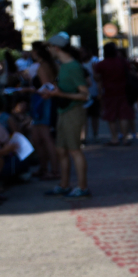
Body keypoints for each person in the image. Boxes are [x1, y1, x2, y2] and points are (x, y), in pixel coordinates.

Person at [42, 33, 91, 198]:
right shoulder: (64, 66)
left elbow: (84, 94)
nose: (49, 50)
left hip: (73, 112)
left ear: (56, 48)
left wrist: (60, 94)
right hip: (63, 112)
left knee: (74, 150)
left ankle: (82, 187)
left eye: (50, 47)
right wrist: (53, 92)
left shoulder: (72, 67)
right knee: (61, 150)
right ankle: (64, 185)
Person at [28, 41, 60, 181]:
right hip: (45, 103)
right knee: (38, 138)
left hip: (43, 103)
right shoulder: (52, 65)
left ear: (36, 52)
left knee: (45, 138)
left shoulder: (42, 67)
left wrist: (29, 90)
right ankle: (45, 168)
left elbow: (46, 88)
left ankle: (53, 170)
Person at [94, 42, 135, 146]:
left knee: (111, 116)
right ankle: (125, 138)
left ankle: (114, 138)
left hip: (109, 92)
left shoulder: (102, 64)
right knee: (123, 116)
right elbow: (130, 73)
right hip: (124, 91)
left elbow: (97, 79)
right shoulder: (123, 62)